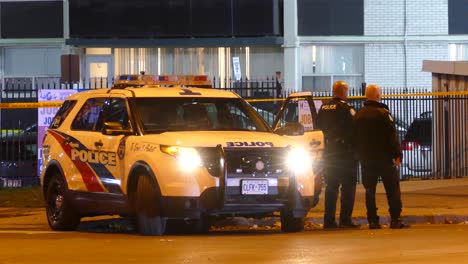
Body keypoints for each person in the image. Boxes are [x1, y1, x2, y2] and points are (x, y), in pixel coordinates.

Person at [354, 84, 409, 229]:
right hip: (384, 159)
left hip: (366, 159)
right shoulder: (384, 113)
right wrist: (397, 154)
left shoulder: (359, 114)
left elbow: (355, 137)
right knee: (392, 189)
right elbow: (392, 136)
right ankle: (395, 219)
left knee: (370, 190)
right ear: (378, 96)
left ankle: (372, 220)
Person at [316, 80, 359, 229]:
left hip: (329, 153)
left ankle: (329, 220)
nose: (347, 93)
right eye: (347, 91)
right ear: (343, 91)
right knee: (348, 186)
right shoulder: (346, 108)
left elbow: (318, 128)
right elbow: (355, 129)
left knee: (331, 186)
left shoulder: (324, 107)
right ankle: (345, 219)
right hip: (345, 153)